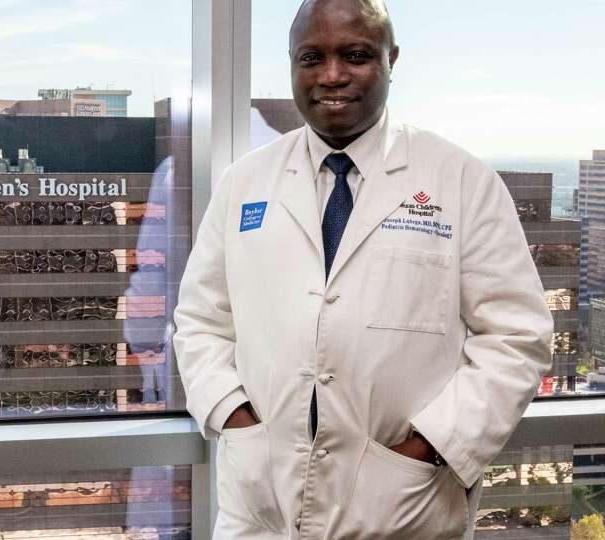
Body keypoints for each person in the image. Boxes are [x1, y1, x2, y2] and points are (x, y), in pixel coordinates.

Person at [173, 1, 553, 538]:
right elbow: (200, 322)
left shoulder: (462, 181)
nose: (332, 76)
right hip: (262, 506)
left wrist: (431, 446)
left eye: (355, 55)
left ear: (391, 59)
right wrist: (238, 420)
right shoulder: (244, 183)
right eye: (311, 58)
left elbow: (517, 337)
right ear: (291, 64)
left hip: (404, 505)